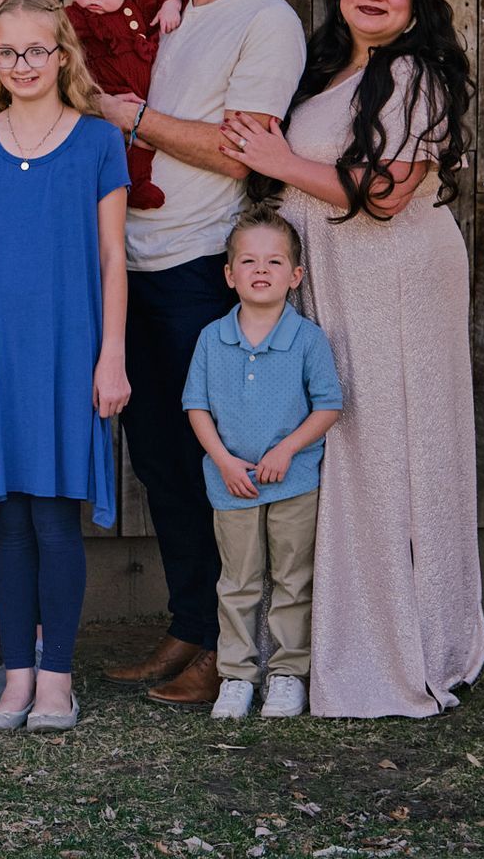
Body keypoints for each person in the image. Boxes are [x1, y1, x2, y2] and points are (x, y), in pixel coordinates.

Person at [221, 0, 484, 718]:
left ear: (416, 3)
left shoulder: (417, 73)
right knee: (343, 440)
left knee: (392, 444)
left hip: (397, 277)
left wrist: (279, 164)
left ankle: (408, 641)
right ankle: (332, 633)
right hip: (336, 276)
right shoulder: (335, 70)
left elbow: (385, 193)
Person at [94, 0, 306, 708]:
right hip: (132, 267)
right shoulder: (167, 10)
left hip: (197, 271)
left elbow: (242, 143)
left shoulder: (267, 21)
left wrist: (135, 118)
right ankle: (189, 625)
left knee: (213, 462)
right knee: (161, 462)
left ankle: (234, 644)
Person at [0, 0, 130, 733]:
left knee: (55, 519)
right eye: (7, 52)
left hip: (67, 350)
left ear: (62, 56)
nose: (22, 64)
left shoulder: (95, 143)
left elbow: (115, 257)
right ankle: (15, 677)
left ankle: (57, 680)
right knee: (6, 522)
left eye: (36, 50)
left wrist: (111, 356)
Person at [182, 206, 342, 720]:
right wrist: (223, 459)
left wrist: (286, 449)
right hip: (231, 484)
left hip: (293, 482)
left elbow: (329, 406)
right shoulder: (212, 338)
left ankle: (288, 674)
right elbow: (196, 406)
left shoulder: (308, 339)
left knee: (294, 579)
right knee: (238, 581)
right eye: (248, 261)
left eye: (274, 262)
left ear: (295, 276)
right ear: (229, 275)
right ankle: (236, 676)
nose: (261, 270)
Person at [56, 0, 187, 209]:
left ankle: (138, 186)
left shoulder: (139, 2)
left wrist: (170, 7)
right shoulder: (74, 18)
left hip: (142, 97)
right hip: (102, 96)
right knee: (101, 147)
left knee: (140, 150)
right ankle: (102, 192)